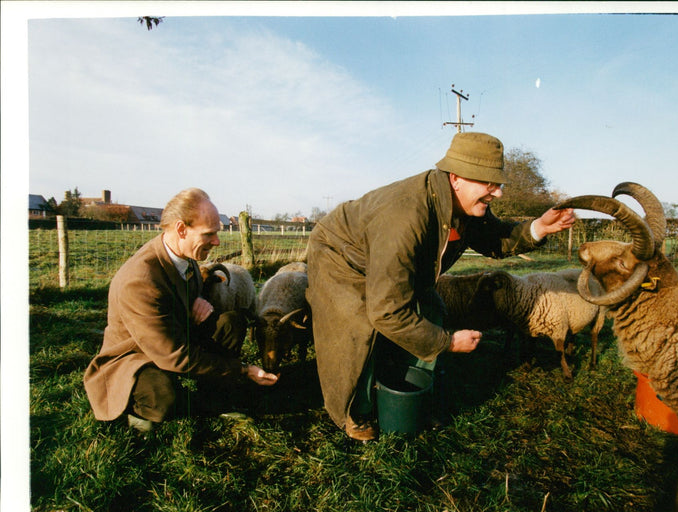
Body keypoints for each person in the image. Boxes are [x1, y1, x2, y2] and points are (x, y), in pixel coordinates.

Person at [305, 132, 575, 441]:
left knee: (430, 308)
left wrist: (540, 227)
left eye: (498, 185)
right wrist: (445, 342)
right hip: (342, 256)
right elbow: (387, 313)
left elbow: (496, 239)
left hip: (390, 257)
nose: (497, 193)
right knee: (358, 327)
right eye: (489, 184)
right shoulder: (405, 216)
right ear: (457, 178)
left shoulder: (463, 206)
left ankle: (410, 390)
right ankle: (355, 410)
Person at [83, 188, 278, 433]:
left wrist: (198, 296)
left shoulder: (183, 256)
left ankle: (214, 397)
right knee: (163, 396)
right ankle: (138, 408)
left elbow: (176, 294)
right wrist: (241, 369)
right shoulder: (140, 279)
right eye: (210, 234)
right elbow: (173, 354)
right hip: (138, 355)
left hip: (176, 336)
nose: (217, 241)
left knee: (231, 322)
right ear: (181, 229)